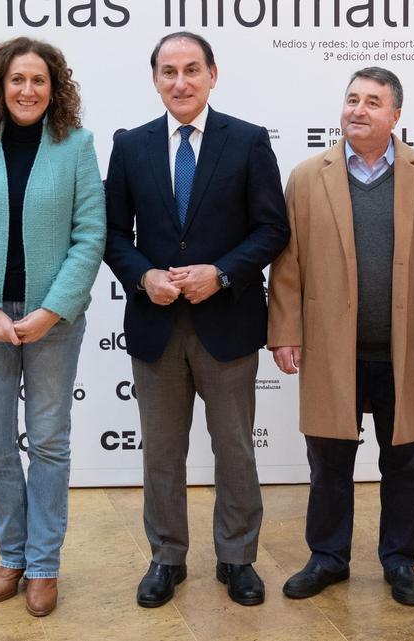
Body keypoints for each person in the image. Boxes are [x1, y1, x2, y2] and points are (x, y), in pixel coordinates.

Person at [104, 31, 289, 608]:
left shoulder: (249, 141)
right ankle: (167, 556)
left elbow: (271, 229)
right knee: (162, 450)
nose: (180, 82)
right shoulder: (130, 145)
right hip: (157, 325)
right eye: (168, 72)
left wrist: (223, 272)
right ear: (155, 79)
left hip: (227, 322)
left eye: (191, 70)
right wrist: (144, 277)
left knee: (234, 447)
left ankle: (237, 558)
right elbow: (111, 234)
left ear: (213, 74)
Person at [268, 67, 414, 606]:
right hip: (329, 348)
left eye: (373, 101)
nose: (358, 110)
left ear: (396, 115)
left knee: (405, 463)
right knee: (328, 463)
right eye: (351, 99)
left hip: (408, 349)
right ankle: (327, 556)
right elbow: (288, 264)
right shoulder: (306, 176)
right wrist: (284, 332)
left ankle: (399, 561)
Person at [0, 37, 106, 617]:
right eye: (17, 80)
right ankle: (11, 555)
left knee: (49, 444)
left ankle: (43, 566)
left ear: (54, 88)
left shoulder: (77, 145)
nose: (28, 90)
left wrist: (52, 310)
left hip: (53, 322)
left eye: (39, 80)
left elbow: (90, 235)